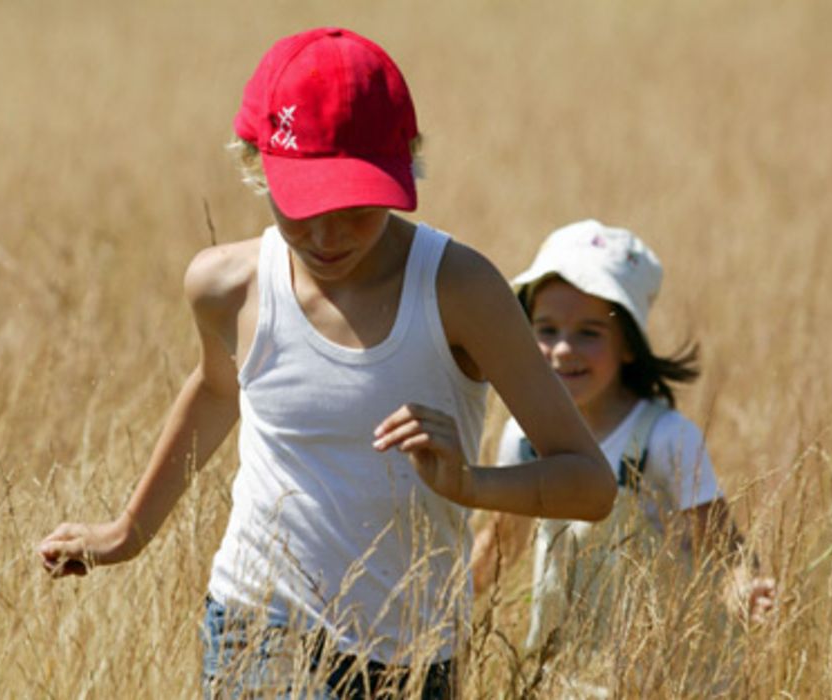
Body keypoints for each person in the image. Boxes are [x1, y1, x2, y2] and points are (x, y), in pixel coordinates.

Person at [39, 28, 615, 699]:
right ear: (256, 165)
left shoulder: (459, 289)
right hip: (255, 626)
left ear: (405, 167)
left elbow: (589, 485)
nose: (326, 236)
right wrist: (126, 533)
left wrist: (466, 483)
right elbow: (217, 389)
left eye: (355, 207)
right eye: (302, 205)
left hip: (414, 650)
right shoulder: (228, 287)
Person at [470, 220, 777, 693]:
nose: (563, 349)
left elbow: (723, 548)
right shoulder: (524, 440)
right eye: (546, 329)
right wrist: (439, 602)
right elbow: (503, 544)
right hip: (567, 678)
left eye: (590, 333)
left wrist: (745, 588)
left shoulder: (665, 440)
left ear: (629, 346)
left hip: (670, 679)